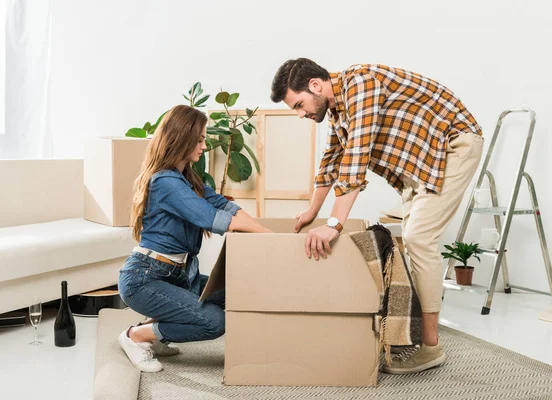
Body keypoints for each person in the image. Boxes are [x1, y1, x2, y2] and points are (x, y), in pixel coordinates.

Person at [270, 58, 483, 374]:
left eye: (299, 105)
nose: (301, 114)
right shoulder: (338, 112)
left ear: (315, 85)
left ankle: (430, 346)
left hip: (453, 147)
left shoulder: (362, 84)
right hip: (420, 165)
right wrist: (312, 211)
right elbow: (332, 160)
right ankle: (418, 333)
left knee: (418, 237)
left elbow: (356, 156)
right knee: (413, 241)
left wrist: (334, 223)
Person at [117, 104, 271, 372]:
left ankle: (156, 330)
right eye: (199, 139)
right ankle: (136, 336)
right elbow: (212, 218)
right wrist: (272, 237)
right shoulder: (165, 182)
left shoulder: (189, 180)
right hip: (145, 278)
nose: (203, 145)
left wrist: (265, 232)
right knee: (215, 322)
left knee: (237, 294)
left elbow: (227, 207)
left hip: (180, 275)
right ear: (182, 138)